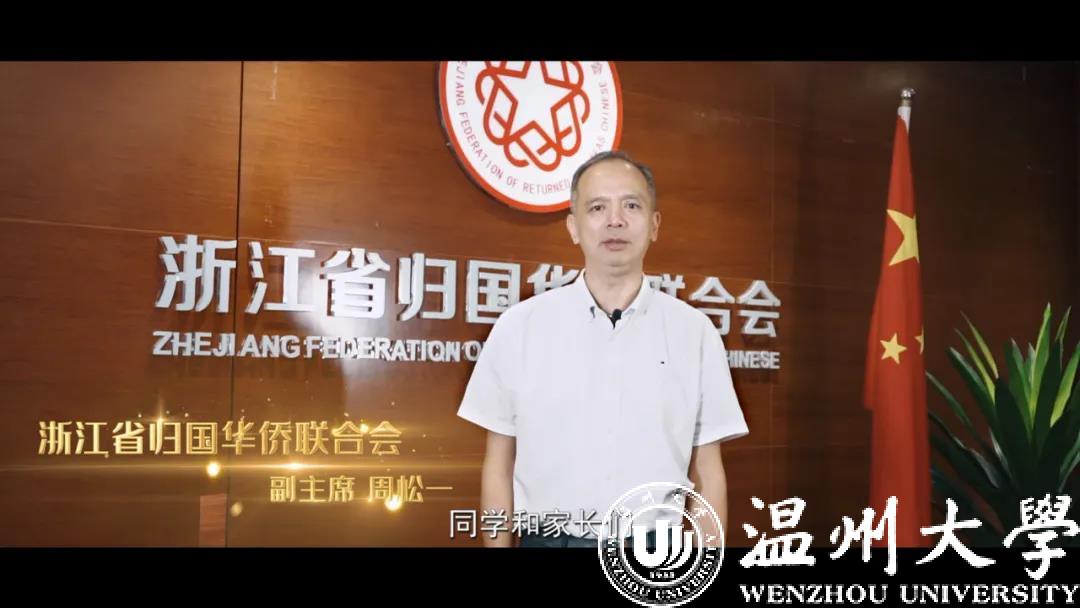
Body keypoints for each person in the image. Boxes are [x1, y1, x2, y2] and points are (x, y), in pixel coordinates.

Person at [457, 150, 749, 548]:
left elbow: (708, 473)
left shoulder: (694, 333)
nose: (615, 220)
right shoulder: (519, 327)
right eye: (597, 207)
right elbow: (498, 466)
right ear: (573, 227)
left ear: (654, 225)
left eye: (631, 205)